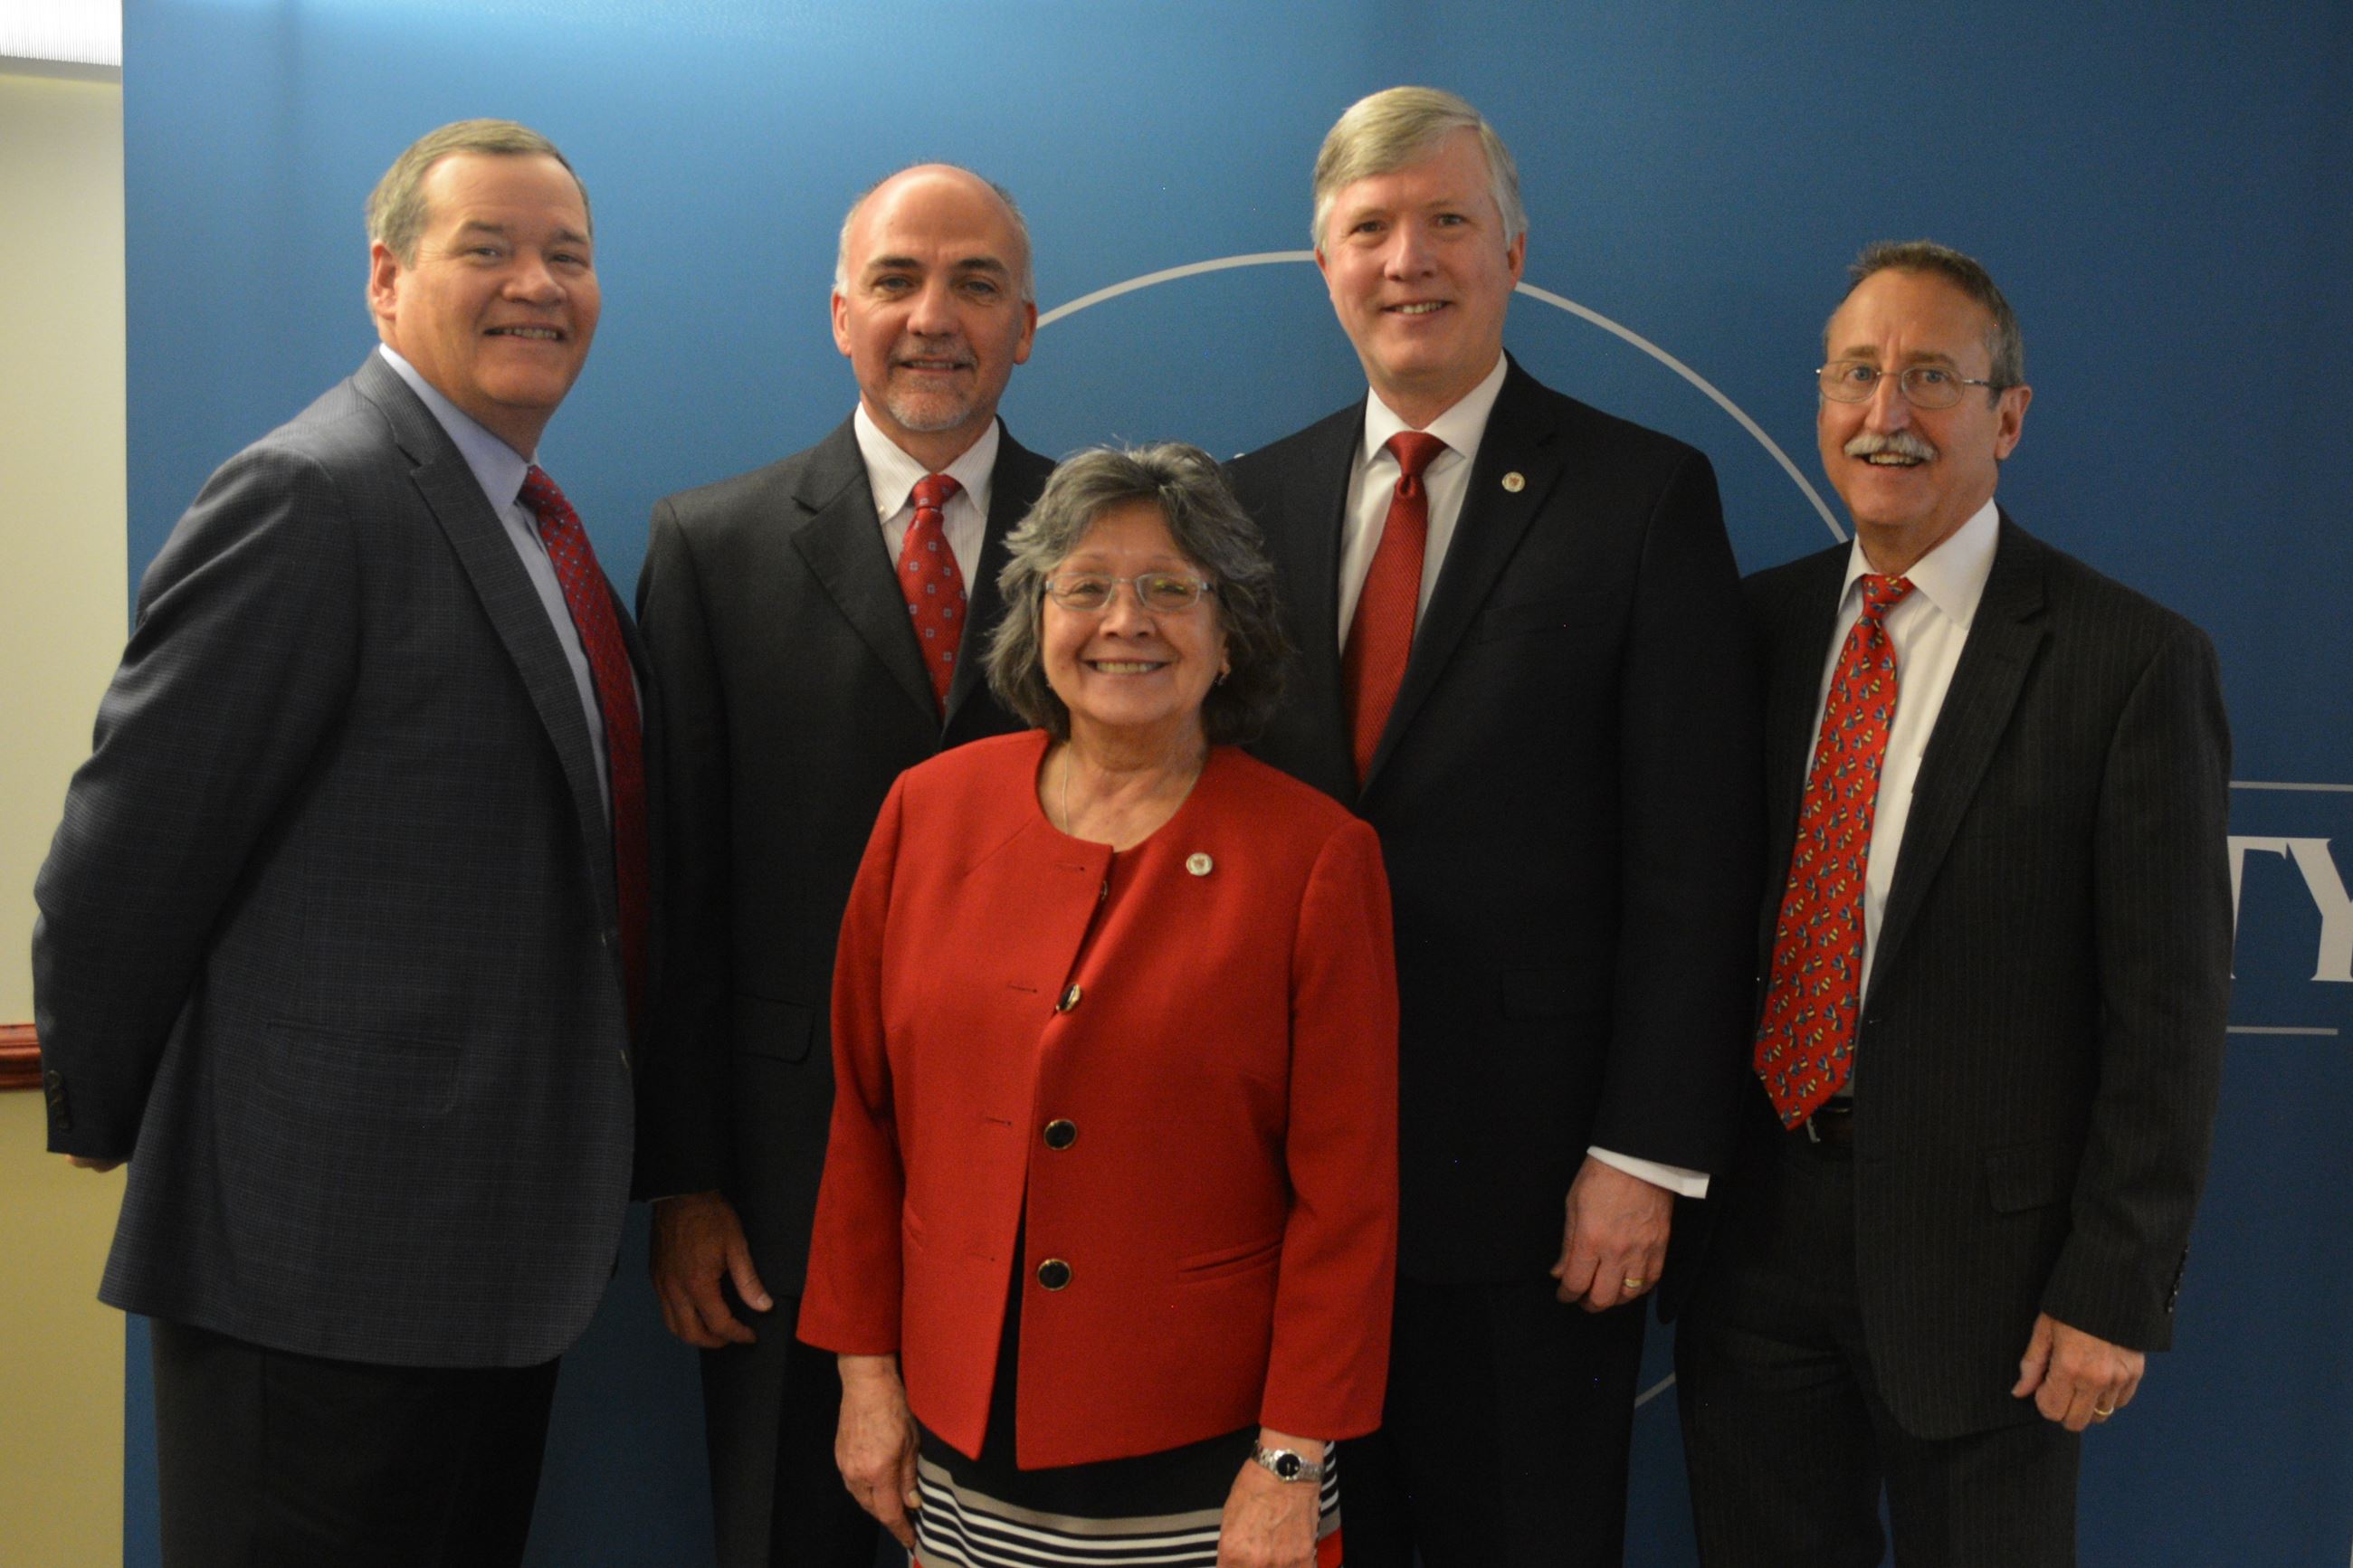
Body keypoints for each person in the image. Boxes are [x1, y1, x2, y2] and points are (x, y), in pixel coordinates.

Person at [32, 119, 640, 1567]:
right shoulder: (314, 491)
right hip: (311, 1272)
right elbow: (121, 860)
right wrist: (122, 1124)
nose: (536, 284)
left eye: (567, 255)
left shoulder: (531, 525)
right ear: (386, 278)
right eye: (488, 248)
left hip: (486, 1271)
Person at [1224, 87, 1762, 1566]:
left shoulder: (1643, 495)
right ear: (1323, 265)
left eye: (1447, 220)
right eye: (1370, 229)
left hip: (1538, 1193)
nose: (1408, 259)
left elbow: (1695, 860)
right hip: (1281, 1193)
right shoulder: (1239, 503)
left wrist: (1643, 1152)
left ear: (1515, 252)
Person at [1674, 241, 2233, 1566]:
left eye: (1931, 376)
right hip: (1753, 1246)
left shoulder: (2128, 662)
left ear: (2008, 416)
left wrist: (2113, 1285)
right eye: (1855, 375)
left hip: (1994, 1281)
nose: (1887, 413)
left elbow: (2165, 1015)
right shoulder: (1745, 631)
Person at [796, 444, 1400, 1568]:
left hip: (1214, 1454)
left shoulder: (1315, 855)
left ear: (1229, 633)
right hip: (961, 1429)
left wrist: (1289, 1456)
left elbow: (1347, 1195)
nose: (1126, 619)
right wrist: (863, 1373)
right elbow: (863, 1124)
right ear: (1037, 618)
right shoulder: (926, 812)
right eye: (1084, 585)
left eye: (1171, 586)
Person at [634, 163, 1055, 1566]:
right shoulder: (710, 545)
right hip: (779, 1188)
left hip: (1051, 1176)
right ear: (838, 314)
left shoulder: (1116, 546)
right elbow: (678, 895)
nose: (934, 317)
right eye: (896, 280)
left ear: (1027, 327)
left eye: (977, 284)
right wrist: (688, 1181)